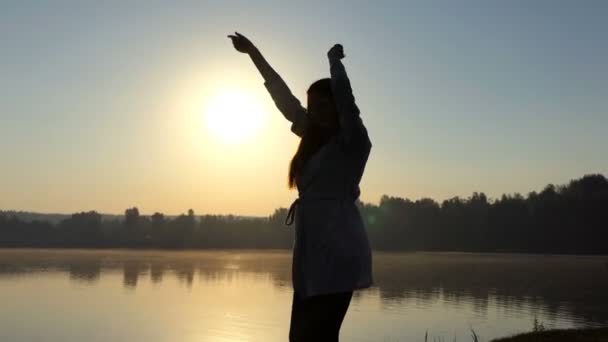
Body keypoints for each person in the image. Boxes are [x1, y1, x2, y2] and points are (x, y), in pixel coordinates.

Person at [228, 31, 373, 342]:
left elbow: (348, 104)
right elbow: (283, 98)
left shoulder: (353, 142)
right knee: (301, 337)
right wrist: (253, 52)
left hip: (339, 249)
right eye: (312, 106)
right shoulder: (312, 137)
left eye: (323, 105)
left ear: (336, 106)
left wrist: (334, 63)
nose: (315, 113)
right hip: (311, 249)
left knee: (318, 334)